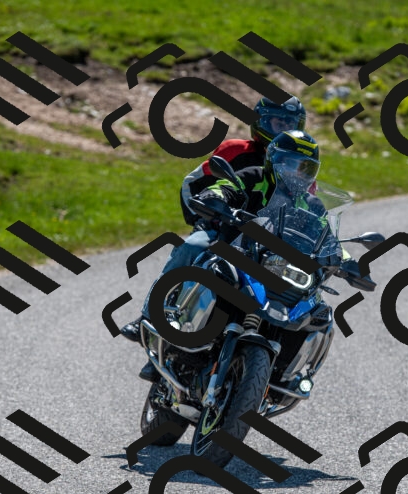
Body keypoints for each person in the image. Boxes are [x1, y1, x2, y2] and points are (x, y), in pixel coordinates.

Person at [123, 130, 346, 383]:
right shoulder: (253, 176)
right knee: (193, 245)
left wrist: (343, 258)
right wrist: (215, 197)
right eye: (289, 164)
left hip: (275, 268)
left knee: (316, 308)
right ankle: (152, 315)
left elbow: (326, 236)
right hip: (233, 249)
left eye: (305, 168)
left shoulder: (312, 205)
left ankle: (284, 376)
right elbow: (225, 187)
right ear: (273, 160)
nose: (297, 173)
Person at [179, 96, 307, 227]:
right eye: (279, 125)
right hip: (221, 226)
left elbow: (307, 207)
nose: (285, 133)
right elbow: (191, 183)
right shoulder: (235, 150)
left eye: (291, 127)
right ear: (263, 123)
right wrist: (200, 218)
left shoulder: (297, 165)